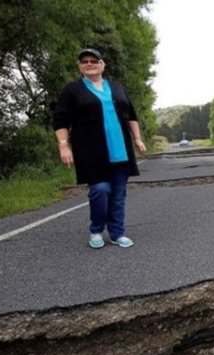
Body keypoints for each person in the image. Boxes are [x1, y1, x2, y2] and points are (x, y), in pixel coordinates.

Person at [52, 48, 147, 249]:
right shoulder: (72, 90)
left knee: (118, 194)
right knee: (100, 189)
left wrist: (137, 139)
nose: (89, 63)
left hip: (121, 150)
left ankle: (117, 233)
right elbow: (60, 120)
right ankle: (96, 230)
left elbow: (131, 115)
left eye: (93, 60)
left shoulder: (117, 87)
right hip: (90, 152)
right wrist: (63, 146)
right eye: (84, 61)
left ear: (102, 65)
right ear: (80, 66)